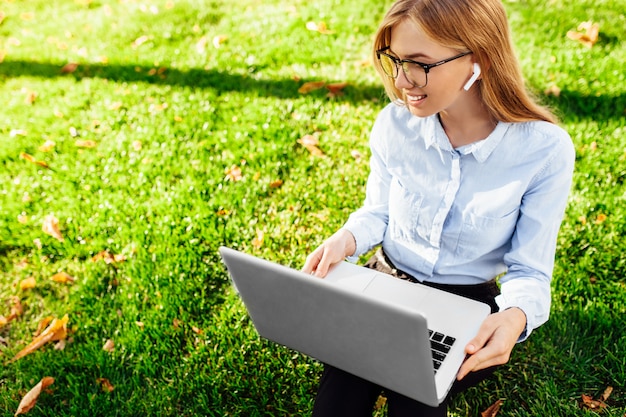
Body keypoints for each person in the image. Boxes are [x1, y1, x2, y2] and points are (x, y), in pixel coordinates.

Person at [301, 0, 575, 415]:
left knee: (415, 397)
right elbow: (379, 212)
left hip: (463, 304)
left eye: (419, 64)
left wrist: (514, 316)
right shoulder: (394, 125)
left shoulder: (544, 151)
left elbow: (530, 270)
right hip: (386, 284)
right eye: (393, 60)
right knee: (339, 394)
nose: (402, 79)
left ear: (478, 59)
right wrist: (347, 240)